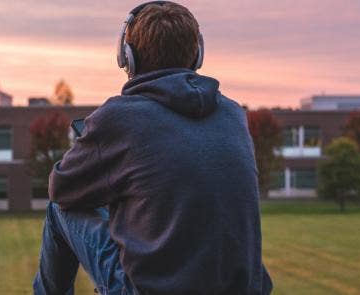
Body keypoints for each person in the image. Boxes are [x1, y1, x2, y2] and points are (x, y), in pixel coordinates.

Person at [33, 1, 273, 294]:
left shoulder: (119, 117)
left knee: (58, 209)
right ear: (197, 54)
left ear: (128, 57)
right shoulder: (234, 114)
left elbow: (62, 188)